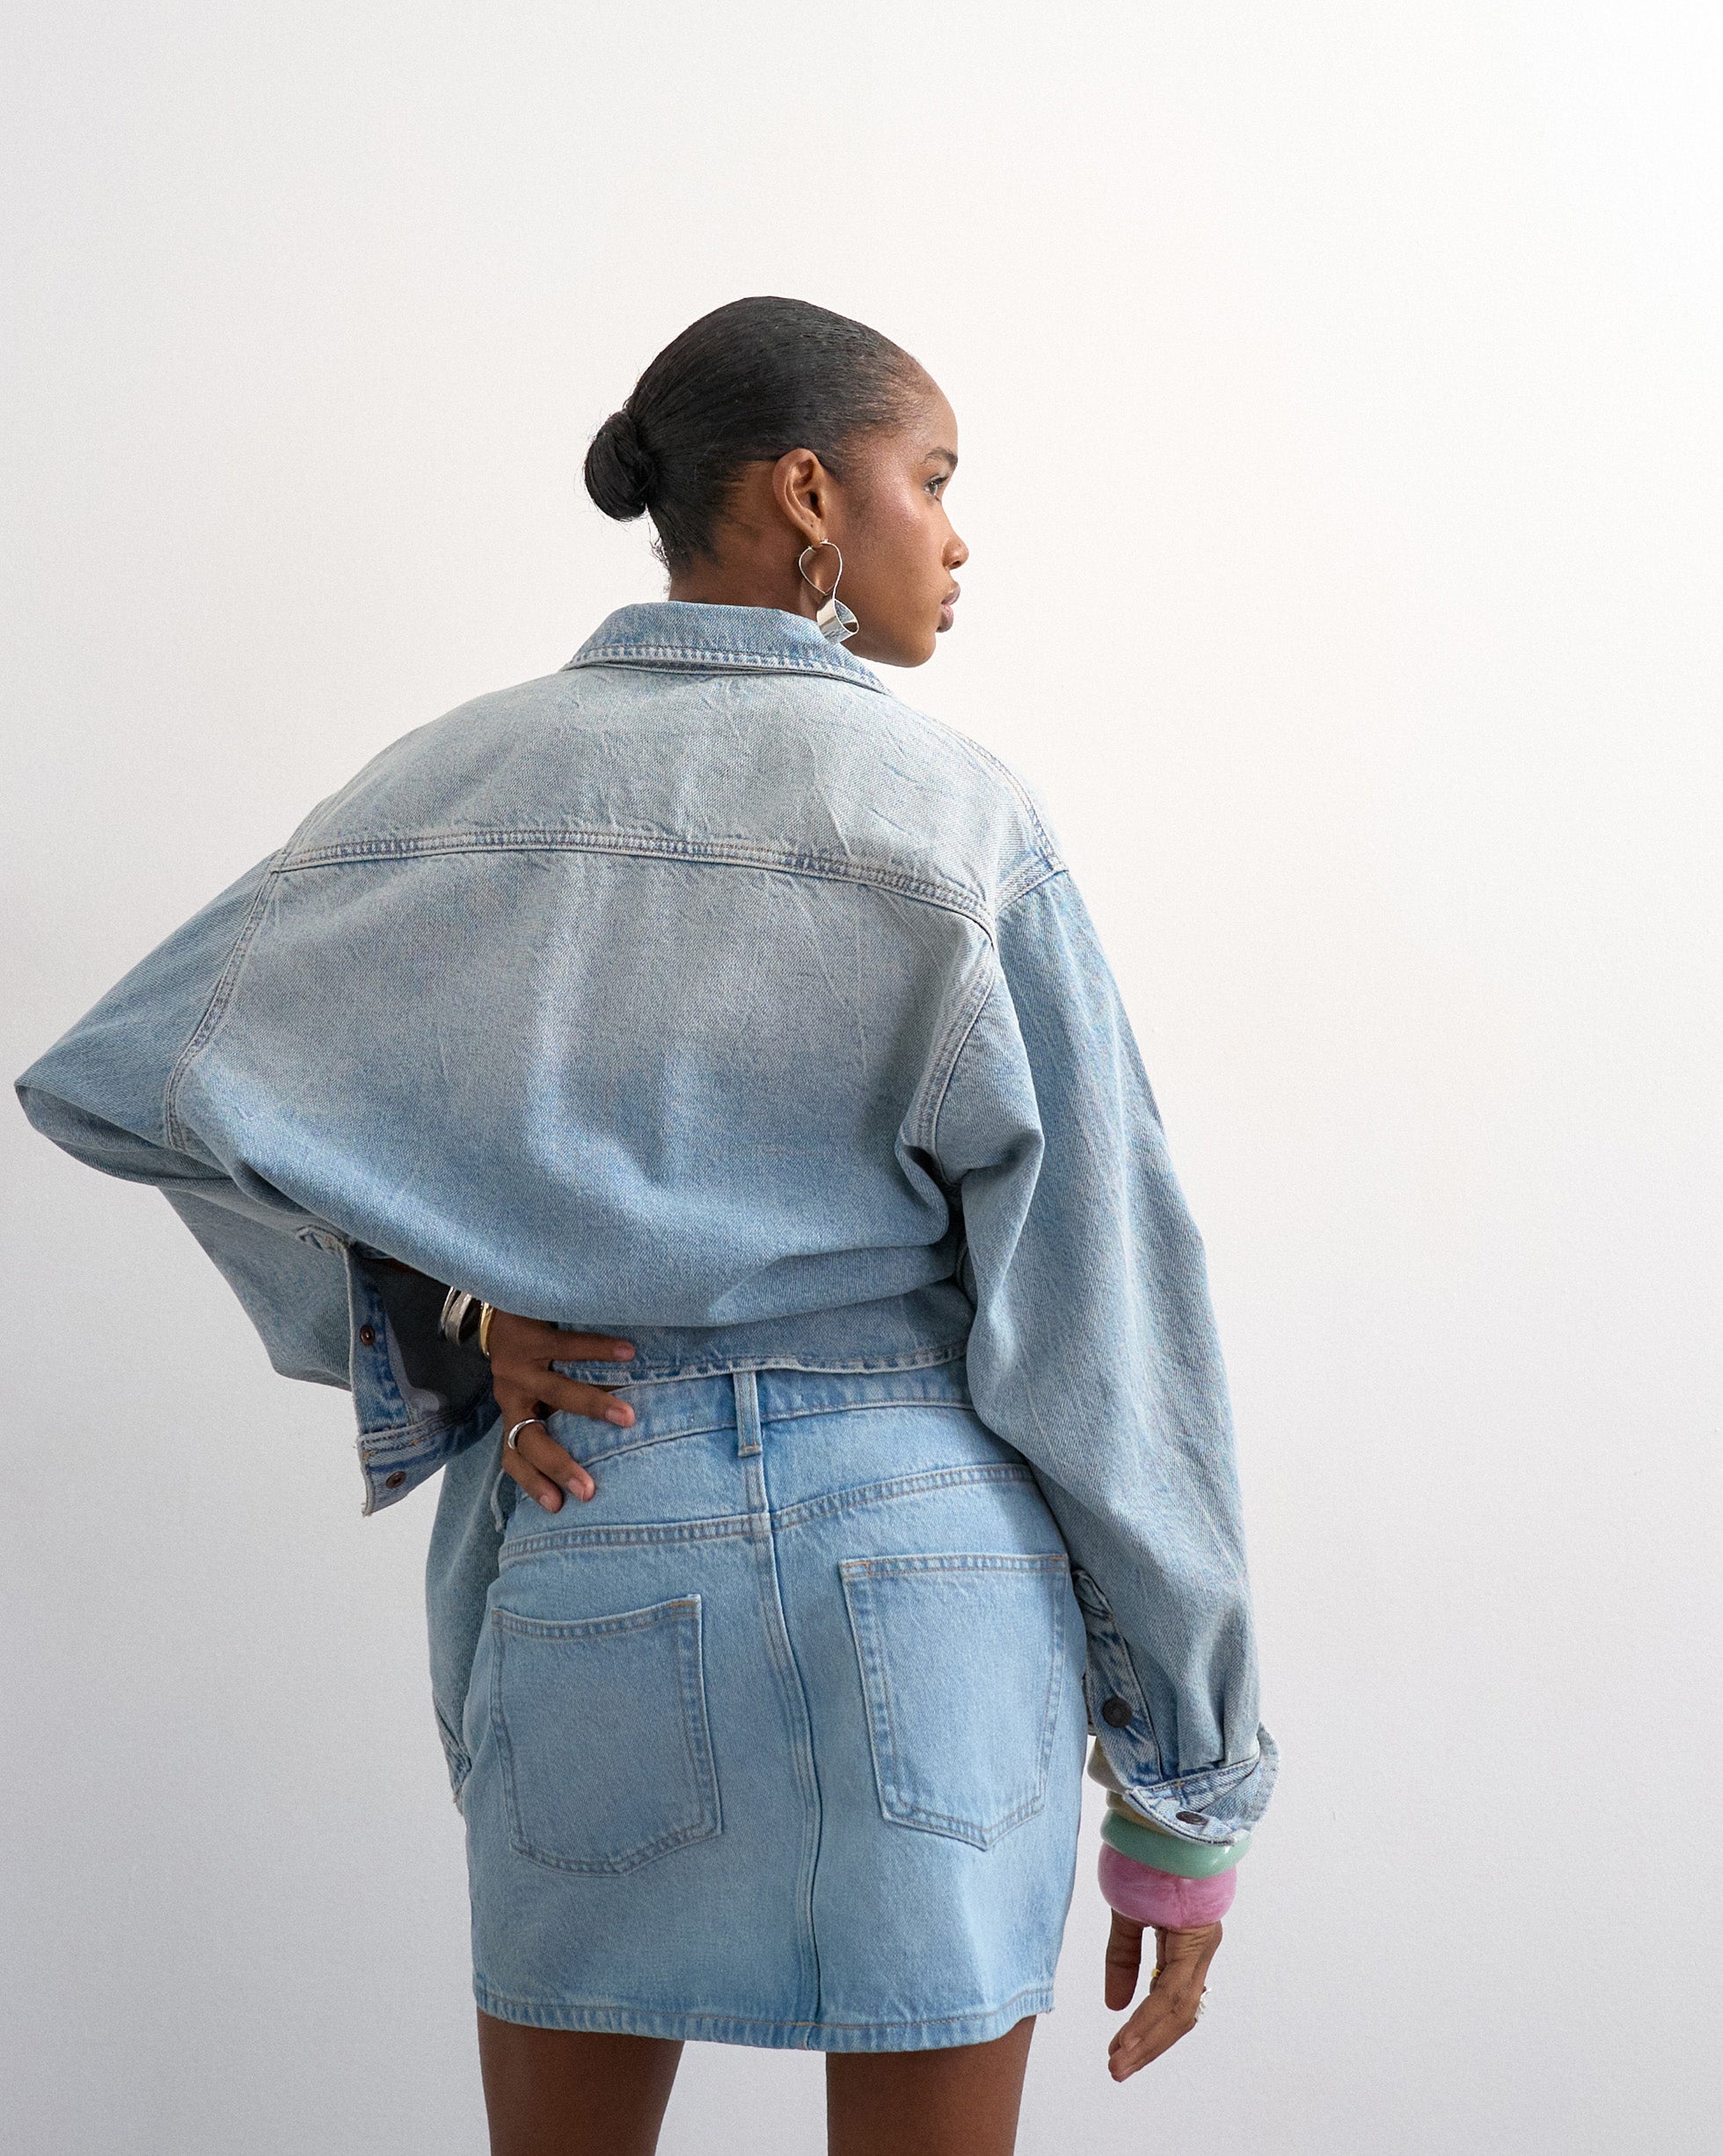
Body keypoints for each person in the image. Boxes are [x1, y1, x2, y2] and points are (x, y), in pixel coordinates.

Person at [17, 296, 1275, 2156]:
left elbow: (119, 1081)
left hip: (597, 1521)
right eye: (931, 480)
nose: (956, 536)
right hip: (925, 1565)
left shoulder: (447, 785)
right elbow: (1106, 1313)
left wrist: (453, 1319)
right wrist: (1187, 1790)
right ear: (808, 496)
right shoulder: (958, 815)